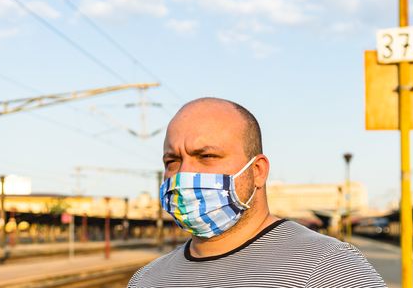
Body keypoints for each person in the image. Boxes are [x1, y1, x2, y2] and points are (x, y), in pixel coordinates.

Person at [128, 97, 386, 288]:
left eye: (206, 156)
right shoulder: (146, 279)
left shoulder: (327, 269)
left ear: (258, 171)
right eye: (172, 161)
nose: (184, 174)